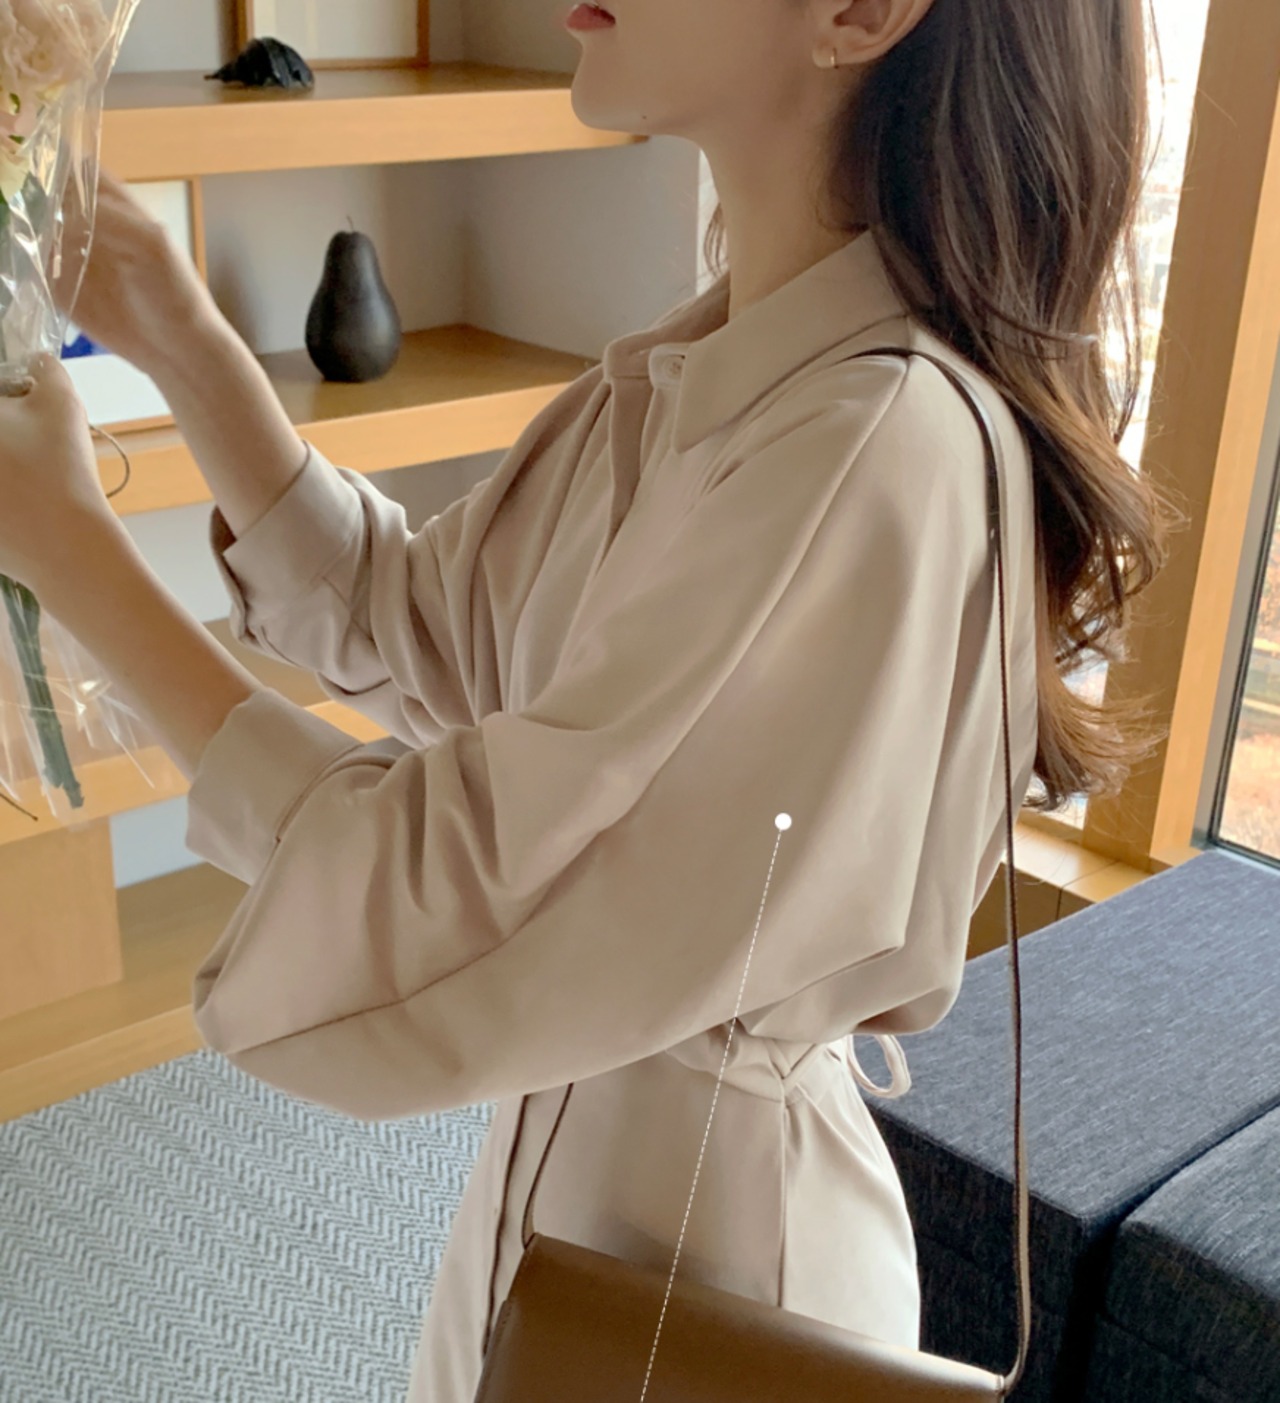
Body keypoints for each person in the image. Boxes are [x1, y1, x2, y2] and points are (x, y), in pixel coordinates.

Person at [4, 0, 1178, 1398]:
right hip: (573, 1202)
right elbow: (421, 627)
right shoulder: (705, 379)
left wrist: (72, 552)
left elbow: (456, 894)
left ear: (861, 13)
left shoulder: (869, 447)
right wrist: (177, 329)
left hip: (710, 1280)